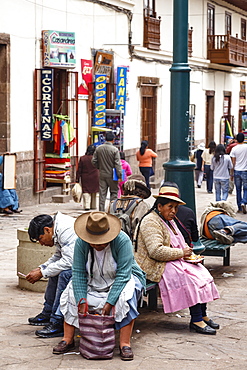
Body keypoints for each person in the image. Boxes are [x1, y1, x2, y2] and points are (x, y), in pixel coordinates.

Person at [52, 211, 146, 361]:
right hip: (93, 278)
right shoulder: (81, 242)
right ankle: (67, 339)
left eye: (101, 241)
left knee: (127, 296)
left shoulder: (122, 240)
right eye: (93, 242)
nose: (97, 245)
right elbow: (78, 273)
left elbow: (123, 275)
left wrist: (110, 302)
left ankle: (124, 344)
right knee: (69, 291)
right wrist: (81, 299)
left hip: (121, 278)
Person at [135, 182, 220, 335]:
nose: (174, 211)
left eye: (176, 207)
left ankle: (203, 314)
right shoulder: (150, 221)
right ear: (159, 206)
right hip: (155, 264)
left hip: (172, 259)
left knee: (202, 273)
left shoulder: (169, 220)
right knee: (190, 279)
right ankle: (196, 319)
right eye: (170, 207)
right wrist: (182, 253)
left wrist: (186, 254)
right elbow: (156, 251)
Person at [26, 212, 77, 338]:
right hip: (77, 261)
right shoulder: (57, 229)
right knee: (53, 271)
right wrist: (42, 268)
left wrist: (42, 272)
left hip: (88, 266)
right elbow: (59, 256)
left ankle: (58, 321)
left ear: (47, 230)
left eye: (40, 239)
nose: (41, 243)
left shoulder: (65, 230)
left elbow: (69, 261)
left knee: (64, 274)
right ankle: (48, 312)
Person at [108, 174, 151, 241]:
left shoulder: (112, 204)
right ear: (142, 193)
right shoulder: (142, 205)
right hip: (131, 244)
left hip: (112, 241)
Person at [92, 132, 122, 211]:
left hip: (102, 174)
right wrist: (120, 175)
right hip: (113, 175)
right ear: (113, 140)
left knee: (102, 194)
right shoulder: (115, 150)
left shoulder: (99, 148)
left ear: (105, 139)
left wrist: (99, 167)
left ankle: (101, 211)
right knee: (114, 193)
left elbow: (93, 161)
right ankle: (112, 210)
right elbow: (117, 164)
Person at [76, 144, 99, 210]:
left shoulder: (83, 158)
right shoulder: (97, 158)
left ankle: (87, 206)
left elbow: (79, 169)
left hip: (85, 177)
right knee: (94, 192)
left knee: (86, 191)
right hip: (95, 176)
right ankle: (93, 205)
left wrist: (77, 178)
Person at [230, 132, 247, 214]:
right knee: (246, 188)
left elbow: (233, 162)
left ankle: (240, 207)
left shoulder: (234, 149)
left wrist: (231, 173)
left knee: (238, 189)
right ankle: (244, 201)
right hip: (245, 170)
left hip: (237, 170)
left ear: (236, 139)